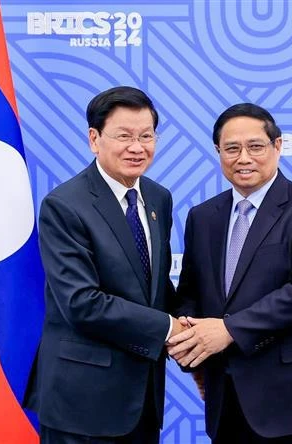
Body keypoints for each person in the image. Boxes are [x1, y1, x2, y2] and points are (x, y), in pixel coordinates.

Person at [168, 103, 292, 443]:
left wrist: (228, 329)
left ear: (278, 146)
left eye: (255, 146)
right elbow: (191, 292)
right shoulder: (203, 216)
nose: (244, 158)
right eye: (232, 148)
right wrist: (189, 335)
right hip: (227, 398)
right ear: (218, 152)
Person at [24, 86, 184, 443]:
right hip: (82, 403)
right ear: (94, 139)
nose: (137, 147)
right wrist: (169, 328)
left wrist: (194, 328)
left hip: (142, 399)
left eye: (146, 136)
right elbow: (81, 303)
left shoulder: (159, 197)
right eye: (123, 136)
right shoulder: (65, 205)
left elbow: (154, 287)